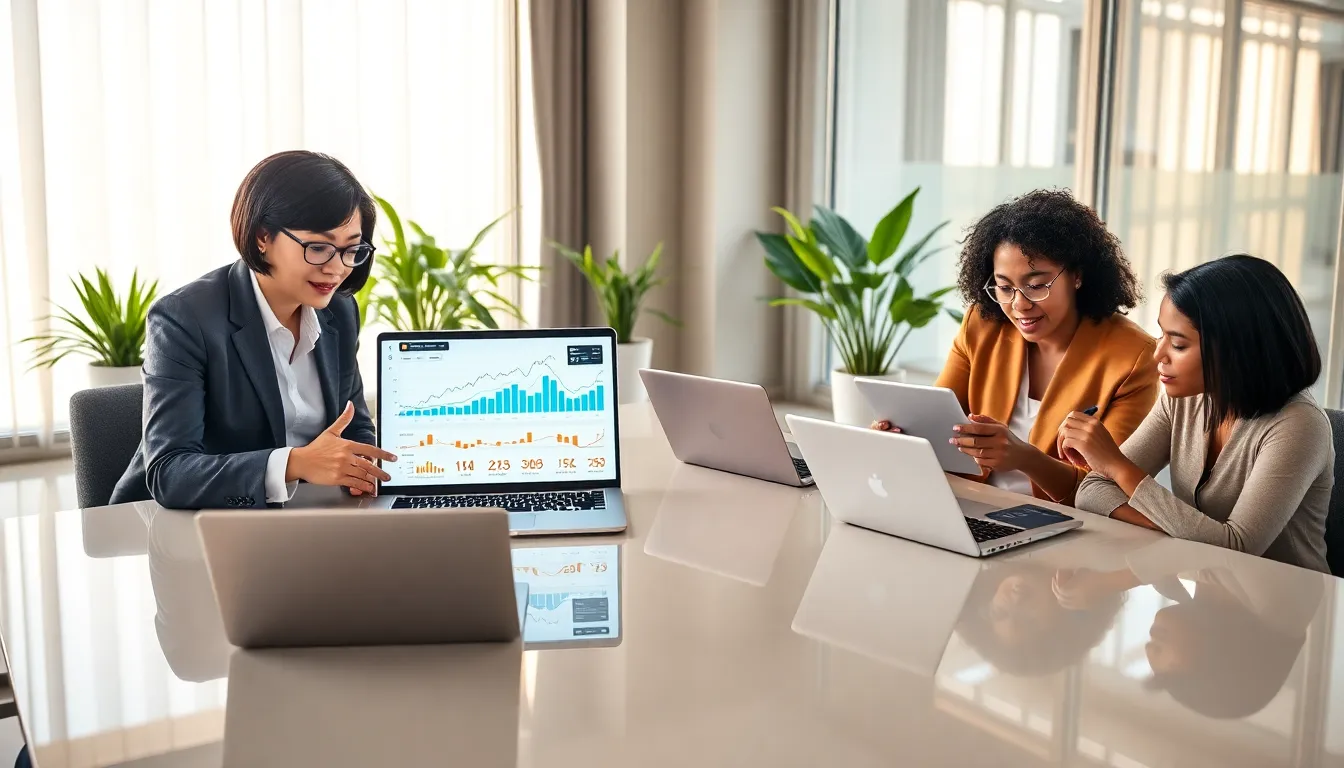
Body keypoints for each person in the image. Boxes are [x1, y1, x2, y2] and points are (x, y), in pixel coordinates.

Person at [110, 150, 397, 509]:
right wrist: (294, 464)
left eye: (351, 249)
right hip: (185, 525)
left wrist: (364, 466)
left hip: (304, 519)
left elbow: (352, 424)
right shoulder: (184, 318)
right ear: (263, 236)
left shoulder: (339, 311)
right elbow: (170, 472)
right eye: (319, 247)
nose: (337, 268)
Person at [872, 189, 1158, 504]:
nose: (1019, 305)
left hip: (1066, 520)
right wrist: (903, 437)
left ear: (1077, 275)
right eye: (1005, 287)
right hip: (970, 502)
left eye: (1036, 286)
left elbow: (1108, 491)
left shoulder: (1133, 357)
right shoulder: (982, 326)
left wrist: (1025, 458)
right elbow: (937, 423)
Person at [1067, 255, 1333, 572]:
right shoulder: (1184, 401)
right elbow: (1092, 491)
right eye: (1162, 335)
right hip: (1210, 589)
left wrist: (1116, 465)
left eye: (1178, 345)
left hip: (1285, 597)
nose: (1158, 355)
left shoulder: (1299, 426)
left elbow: (1237, 548)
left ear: (1238, 350)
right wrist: (1173, 529)